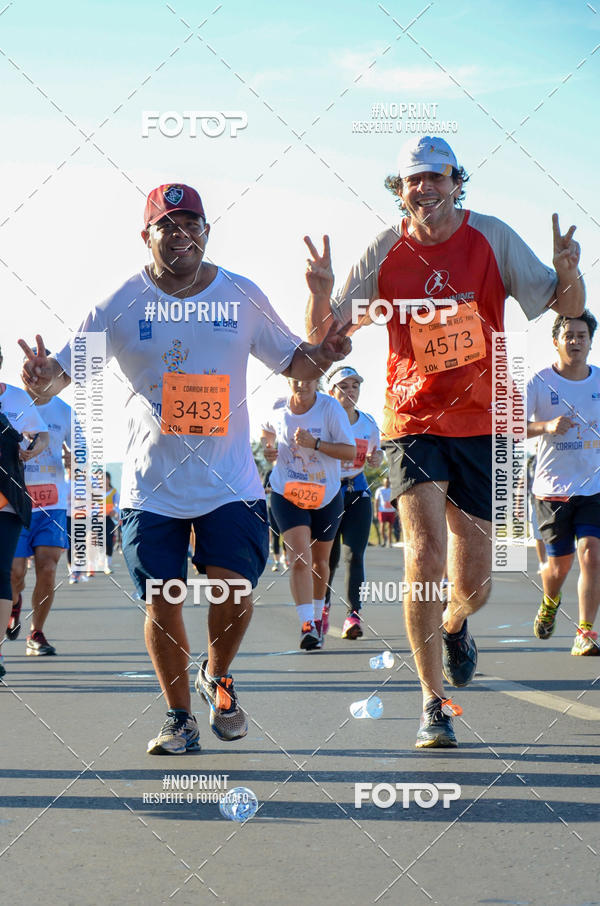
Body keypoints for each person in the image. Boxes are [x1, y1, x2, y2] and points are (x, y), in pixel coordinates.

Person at [20, 182, 350, 754]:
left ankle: (217, 676)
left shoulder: (240, 295)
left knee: (234, 592)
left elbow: (297, 361)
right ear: (145, 236)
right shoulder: (119, 304)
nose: (181, 235)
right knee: (163, 599)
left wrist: (324, 346)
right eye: (167, 226)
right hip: (152, 487)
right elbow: (60, 378)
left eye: (191, 224)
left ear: (206, 232)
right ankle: (179, 718)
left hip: (230, 483)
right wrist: (41, 378)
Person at [304, 135, 585, 748]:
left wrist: (570, 273)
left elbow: (564, 307)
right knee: (425, 555)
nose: (425, 188)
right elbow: (326, 335)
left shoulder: (492, 237)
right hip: (414, 419)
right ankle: (432, 702)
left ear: (456, 182)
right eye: (414, 180)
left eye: (436, 177)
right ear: (400, 190)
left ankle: (456, 623)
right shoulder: (385, 248)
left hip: (484, 421)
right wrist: (322, 292)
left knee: (474, 583)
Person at [261, 378, 355, 650]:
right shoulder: (278, 406)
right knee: (299, 558)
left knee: (320, 562)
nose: (302, 384)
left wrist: (315, 444)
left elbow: (349, 452)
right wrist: (268, 448)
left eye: (308, 378)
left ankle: (317, 615)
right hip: (287, 492)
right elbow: (266, 431)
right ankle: (307, 625)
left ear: (318, 379)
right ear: (288, 379)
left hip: (326, 494)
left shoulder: (330, 408)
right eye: (296, 378)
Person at [527, 310, 600, 655]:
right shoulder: (539, 382)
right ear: (556, 341)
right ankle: (550, 599)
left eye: (581, 336)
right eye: (568, 335)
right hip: (552, 490)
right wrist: (546, 426)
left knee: (592, 554)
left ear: (590, 342)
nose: (575, 342)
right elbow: (509, 426)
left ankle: (585, 632)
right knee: (559, 567)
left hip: (594, 487)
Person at [9, 346, 71, 657]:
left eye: (40, 369)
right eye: (29, 370)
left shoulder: (65, 411)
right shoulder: (11, 404)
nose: (35, 376)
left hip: (52, 503)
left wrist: (76, 465)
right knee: (15, 573)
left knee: (47, 568)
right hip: (15, 502)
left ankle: (37, 632)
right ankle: (14, 602)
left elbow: (80, 453)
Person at [323, 365, 383, 640]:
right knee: (328, 557)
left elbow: (375, 455)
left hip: (357, 489)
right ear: (331, 392)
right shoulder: (324, 421)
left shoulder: (368, 422)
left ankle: (353, 615)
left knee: (354, 555)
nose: (350, 391)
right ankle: (321, 609)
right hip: (328, 492)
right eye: (343, 386)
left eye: (355, 386)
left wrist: (375, 458)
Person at [0, 348, 48, 676]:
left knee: (1, 573)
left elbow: (41, 435)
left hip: (7, 501)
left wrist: (33, 449)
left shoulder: (16, 398)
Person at [263, 469, 288, 572]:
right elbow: (264, 489)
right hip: (272, 506)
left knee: (286, 534)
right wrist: (273, 489)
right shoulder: (270, 472)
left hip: (287, 507)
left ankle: (285, 559)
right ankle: (276, 562)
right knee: (275, 534)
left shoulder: (288, 470)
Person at [104, 472, 120, 575]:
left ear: (109, 479)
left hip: (109, 519)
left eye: (105, 478)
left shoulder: (114, 492)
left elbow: (119, 505)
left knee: (108, 541)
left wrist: (115, 511)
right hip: (96, 520)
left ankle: (107, 565)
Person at [375, 476, 395, 547]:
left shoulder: (393, 489)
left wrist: (397, 510)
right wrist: (376, 511)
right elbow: (376, 501)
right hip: (382, 511)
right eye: (386, 482)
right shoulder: (379, 490)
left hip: (391, 510)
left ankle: (390, 542)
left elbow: (396, 499)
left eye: (388, 482)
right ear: (383, 482)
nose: (387, 483)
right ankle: (384, 540)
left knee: (390, 527)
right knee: (382, 527)